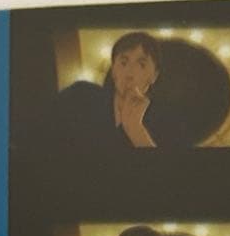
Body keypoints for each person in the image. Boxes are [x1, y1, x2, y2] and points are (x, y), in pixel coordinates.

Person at [52, 31, 186, 150]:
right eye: (123, 63)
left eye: (141, 65)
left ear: (154, 76)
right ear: (113, 70)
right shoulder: (81, 94)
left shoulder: (169, 121)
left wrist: (135, 129)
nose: (129, 73)